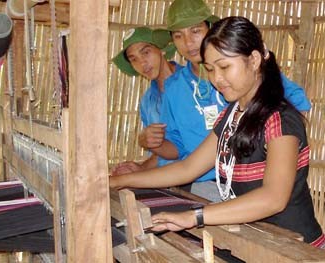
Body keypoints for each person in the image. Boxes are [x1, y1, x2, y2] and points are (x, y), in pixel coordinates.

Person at [110, 16, 325, 248]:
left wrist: (194, 216)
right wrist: (118, 181)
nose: (216, 79)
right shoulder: (232, 116)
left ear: (253, 60)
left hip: (296, 247)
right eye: (210, 69)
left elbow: (273, 198)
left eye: (224, 67)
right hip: (258, 240)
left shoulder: (280, 120)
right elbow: (187, 168)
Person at [147, 0, 311, 201]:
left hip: (248, 189)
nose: (188, 42)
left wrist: (274, 152)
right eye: (178, 35)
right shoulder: (179, 90)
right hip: (210, 186)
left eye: (195, 31)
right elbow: (183, 160)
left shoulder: (268, 101)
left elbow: (295, 109)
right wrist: (153, 146)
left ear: (210, 29)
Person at [111, 27, 183, 175]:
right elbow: (163, 153)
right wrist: (141, 168)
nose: (142, 63)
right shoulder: (147, 102)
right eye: (134, 59)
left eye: (146, 52)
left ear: (161, 49)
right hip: (169, 181)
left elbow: (195, 144)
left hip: (203, 180)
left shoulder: (191, 84)